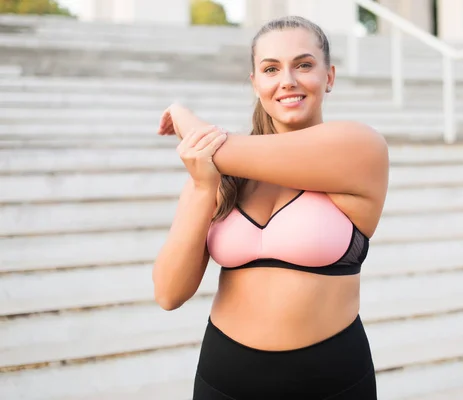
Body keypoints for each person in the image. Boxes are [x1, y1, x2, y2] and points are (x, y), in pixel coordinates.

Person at [153, 15, 389, 400]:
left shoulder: (360, 147)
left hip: (331, 383)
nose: (288, 81)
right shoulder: (221, 173)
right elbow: (168, 294)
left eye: (304, 65)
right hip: (222, 379)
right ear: (255, 83)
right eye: (271, 69)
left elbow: (217, 145)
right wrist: (202, 188)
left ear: (329, 77)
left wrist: (182, 114)